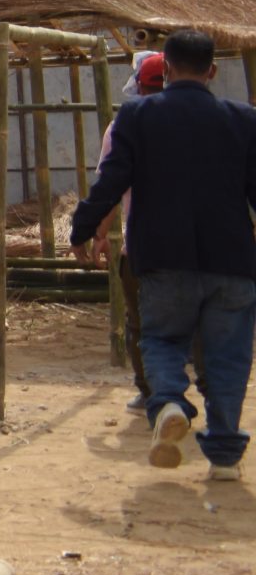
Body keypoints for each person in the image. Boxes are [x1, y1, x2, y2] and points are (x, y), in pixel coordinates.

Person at [70, 30, 256, 482]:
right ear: (213, 70)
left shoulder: (136, 116)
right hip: (232, 259)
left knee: (160, 339)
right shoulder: (245, 120)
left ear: (167, 68)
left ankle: (170, 400)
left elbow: (111, 180)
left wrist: (83, 227)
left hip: (162, 257)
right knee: (228, 355)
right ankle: (224, 457)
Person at [90, 52, 168, 410]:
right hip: (197, 246)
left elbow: (110, 188)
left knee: (140, 323)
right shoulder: (207, 121)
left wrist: (98, 233)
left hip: (142, 246)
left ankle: (153, 392)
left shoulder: (121, 127)